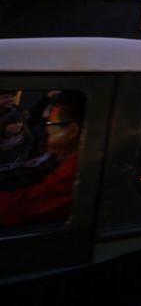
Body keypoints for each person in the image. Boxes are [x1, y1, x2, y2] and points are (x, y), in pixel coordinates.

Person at [0, 91, 84, 226]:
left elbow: (24, 207)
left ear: (72, 131)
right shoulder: (56, 159)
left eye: (50, 123)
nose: (46, 129)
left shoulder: (78, 172)